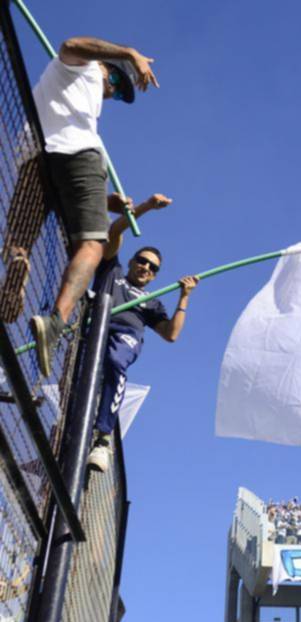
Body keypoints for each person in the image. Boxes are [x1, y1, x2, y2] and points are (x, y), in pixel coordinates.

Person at [0, 36, 158, 378]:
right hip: (80, 155)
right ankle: (55, 323)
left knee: (18, 240)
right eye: (115, 80)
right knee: (92, 245)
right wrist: (129, 52)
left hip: (35, 158)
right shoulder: (80, 66)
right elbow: (72, 43)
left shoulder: (74, 97)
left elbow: (67, 191)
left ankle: (17, 265)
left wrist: (108, 203)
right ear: (105, 66)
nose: (113, 91)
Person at [86, 193, 198, 472]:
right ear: (133, 260)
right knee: (78, 383)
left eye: (152, 267)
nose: (146, 267)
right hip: (93, 327)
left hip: (124, 335)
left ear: (156, 275)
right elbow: (115, 230)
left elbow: (171, 334)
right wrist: (147, 207)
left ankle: (102, 439)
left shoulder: (152, 301)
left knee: (115, 361)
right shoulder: (112, 272)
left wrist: (184, 297)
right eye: (142, 261)